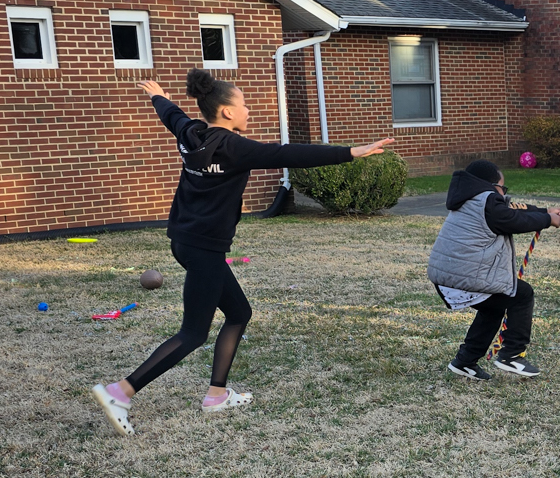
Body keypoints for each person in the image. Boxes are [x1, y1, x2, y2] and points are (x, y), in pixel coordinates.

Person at [92, 72, 391, 436]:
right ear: (227, 112)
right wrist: (350, 152)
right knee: (193, 333)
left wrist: (159, 96)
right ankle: (120, 392)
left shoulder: (190, 133)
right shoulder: (235, 148)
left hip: (186, 241)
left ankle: (217, 395)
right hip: (204, 247)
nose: (248, 110)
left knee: (238, 313)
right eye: (244, 104)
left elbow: (172, 115)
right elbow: (288, 153)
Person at [427, 159, 560, 381]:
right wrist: (547, 219)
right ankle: (512, 355)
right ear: (491, 186)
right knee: (522, 294)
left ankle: (465, 361)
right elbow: (512, 219)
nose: (503, 194)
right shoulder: (486, 201)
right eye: (503, 188)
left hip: (447, 278)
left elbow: (511, 209)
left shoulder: (472, 199)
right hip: (461, 278)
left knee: (493, 308)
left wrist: (545, 212)